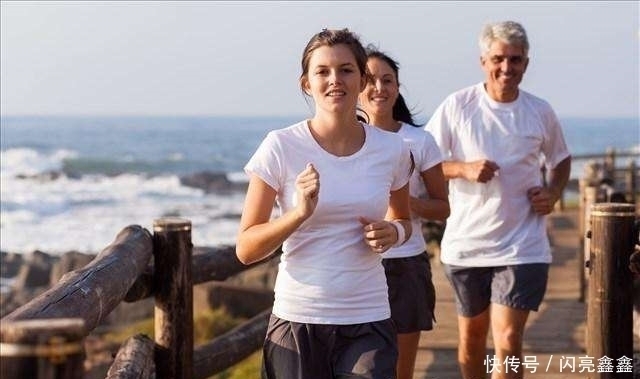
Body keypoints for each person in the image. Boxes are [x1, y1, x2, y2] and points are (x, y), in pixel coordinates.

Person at [236, 28, 414, 379]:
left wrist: (393, 232)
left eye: (346, 70)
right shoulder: (281, 146)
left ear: (362, 79)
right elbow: (245, 248)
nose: (335, 80)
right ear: (307, 83)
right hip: (299, 318)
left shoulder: (392, 150)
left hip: (368, 316)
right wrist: (299, 213)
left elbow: (404, 220)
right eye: (323, 71)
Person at [425, 21, 572, 379]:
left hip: (523, 245)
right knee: (472, 339)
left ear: (526, 63)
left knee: (508, 338)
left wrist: (552, 192)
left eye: (516, 60)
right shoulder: (458, 106)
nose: (507, 68)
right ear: (483, 61)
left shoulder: (540, 111)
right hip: (467, 243)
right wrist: (462, 168)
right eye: (498, 59)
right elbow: (425, 162)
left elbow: (562, 159)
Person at [358, 46, 450, 379]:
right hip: (354, 266)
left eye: (388, 80)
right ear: (354, 85)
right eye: (370, 79)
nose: (379, 88)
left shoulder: (419, 141)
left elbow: (443, 208)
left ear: (397, 88)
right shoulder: (342, 140)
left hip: (405, 266)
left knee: (400, 372)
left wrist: (403, 202)